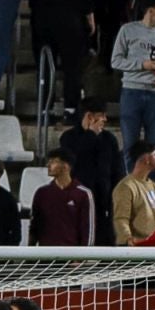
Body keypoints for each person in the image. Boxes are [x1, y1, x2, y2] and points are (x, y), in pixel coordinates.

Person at [30, 0, 94, 121]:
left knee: (45, 64)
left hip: (41, 20)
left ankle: (45, 108)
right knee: (71, 67)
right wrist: (89, 17)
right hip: (68, 21)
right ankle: (71, 109)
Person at [110, 0, 155, 169]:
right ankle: (130, 188)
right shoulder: (128, 30)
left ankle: (150, 189)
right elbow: (115, 61)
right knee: (130, 144)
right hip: (132, 91)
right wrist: (142, 65)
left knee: (154, 147)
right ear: (151, 10)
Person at [60, 100, 122, 243]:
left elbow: (116, 169)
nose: (105, 119)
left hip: (103, 199)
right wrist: (91, 135)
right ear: (89, 116)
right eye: (101, 115)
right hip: (77, 200)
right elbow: (73, 161)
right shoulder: (69, 138)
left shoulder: (109, 139)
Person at [30, 149, 95, 246]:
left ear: (66, 166)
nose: (48, 165)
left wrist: (82, 258)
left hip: (71, 255)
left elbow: (88, 229)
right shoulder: (42, 193)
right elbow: (34, 226)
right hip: (45, 255)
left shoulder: (83, 194)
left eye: (53, 162)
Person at [111, 141, 155, 244]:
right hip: (136, 251)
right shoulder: (126, 187)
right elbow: (121, 218)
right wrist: (129, 241)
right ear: (146, 159)